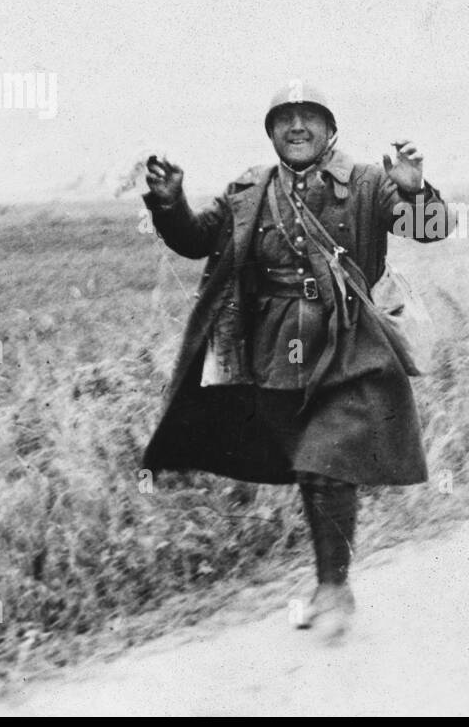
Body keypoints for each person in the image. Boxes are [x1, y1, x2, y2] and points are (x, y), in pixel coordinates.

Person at [141, 84, 451, 642]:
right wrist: (169, 202)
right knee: (310, 467)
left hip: (351, 341)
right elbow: (194, 240)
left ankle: (333, 588)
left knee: (325, 460)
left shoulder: (366, 183)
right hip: (273, 351)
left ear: (331, 129)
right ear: (272, 131)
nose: (298, 128)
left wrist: (416, 190)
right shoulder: (248, 190)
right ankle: (330, 581)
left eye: (310, 118)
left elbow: (431, 230)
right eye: (286, 119)